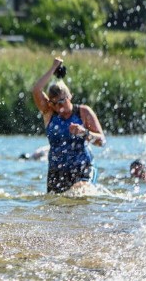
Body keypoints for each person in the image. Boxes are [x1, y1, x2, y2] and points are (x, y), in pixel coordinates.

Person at [32, 57, 106, 193]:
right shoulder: (49, 113)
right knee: (56, 208)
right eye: (54, 103)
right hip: (57, 172)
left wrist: (84, 132)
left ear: (69, 97)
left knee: (79, 193)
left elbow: (102, 141)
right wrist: (53, 68)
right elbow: (36, 89)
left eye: (61, 102)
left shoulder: (83, 112)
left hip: (83, 168)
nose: (58, 107)